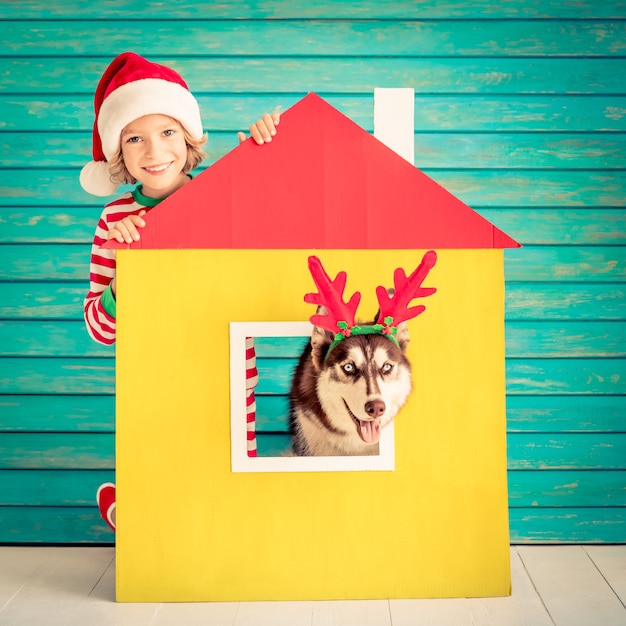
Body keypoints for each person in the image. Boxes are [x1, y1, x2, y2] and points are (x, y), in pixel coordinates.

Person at [81, 52, 279, 530]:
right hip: (155, 381)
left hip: (231, 375)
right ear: (119, 153)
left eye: (167, 132)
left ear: (189, 139)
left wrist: (265, 158)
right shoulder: (114, 223)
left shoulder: (226, 195)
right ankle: (132, 501)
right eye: (135, 138)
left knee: (233, 487)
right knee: (163, 481)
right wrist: (125, 279)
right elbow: (98, 330)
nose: (154, 151)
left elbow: (275, 236)